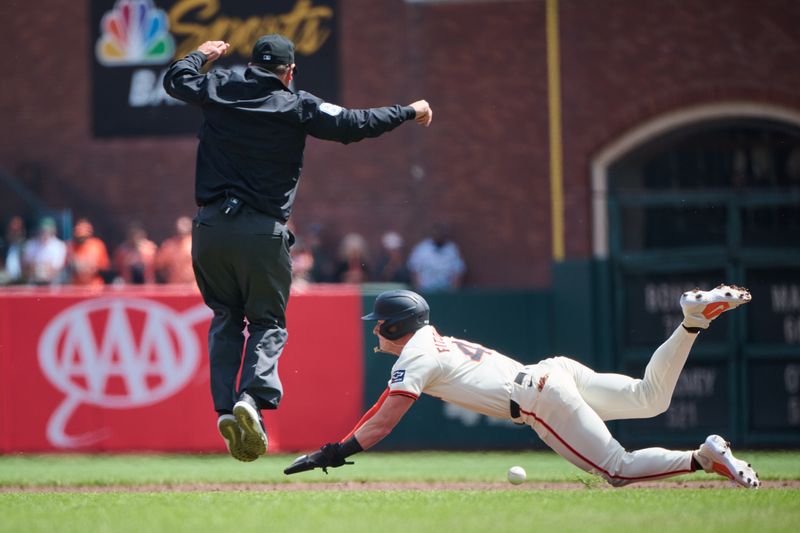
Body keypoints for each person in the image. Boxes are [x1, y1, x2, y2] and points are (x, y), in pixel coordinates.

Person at [163, 34, 433, 462]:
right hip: (260, 232)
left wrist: (202, 55)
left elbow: (176, 79)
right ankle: (250, 400)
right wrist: (409, 111)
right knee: (267, 323)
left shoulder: (218, 87)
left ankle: (223, 407)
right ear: (289, 72)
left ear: (252, 64)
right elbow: (352, 124)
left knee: (225, 317)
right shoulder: (296, 104)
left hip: (209, 228)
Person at [284, 285, 760, 489]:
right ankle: (691, 323)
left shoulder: (417, 354)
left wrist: (333, 452)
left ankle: (704, 458)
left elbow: (385, 421)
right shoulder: (432, 339)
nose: (373, 331)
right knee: (648, 397)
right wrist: (338, 447)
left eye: (378, 324)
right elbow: (382, 407)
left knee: (618, 469)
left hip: (539, 397)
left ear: (394, 328)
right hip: (552, 374)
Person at [407, 222, 465, 292]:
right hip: (426, 291)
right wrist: (420, 291)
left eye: (442, 232)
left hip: (446, 291)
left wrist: (453, 292)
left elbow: (458, 272)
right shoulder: (422, 248)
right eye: (437, 232)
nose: (439, 235)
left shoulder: (452, 250)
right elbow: (414, 270)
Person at [22, 217, 67, 285]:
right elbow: (26, 267)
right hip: (33, 283)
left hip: (52, 284)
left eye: (47, 230)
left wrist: (38, 268)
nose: (44, 233)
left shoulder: (60, 246)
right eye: (42, 230)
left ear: (53, 231)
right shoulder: (30, 244)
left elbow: (56, 269)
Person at [67, 218, 110, 286]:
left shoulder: (97, 245)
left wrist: (93, 268)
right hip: (77, 287)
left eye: (84, 237)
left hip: (95, 287)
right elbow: (65, 268)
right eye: (80, 236)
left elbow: (105, 268)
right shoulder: (70, 247)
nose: (82, 239)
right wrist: (74, 265)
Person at [155, 216, 195, 284]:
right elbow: (158, 266)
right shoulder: (169, 245)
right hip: (175, 286)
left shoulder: (195, 243)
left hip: (193, 287)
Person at [0, 216, 26, 284]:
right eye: (12, 230)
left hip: (23, 282)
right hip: (4, 282)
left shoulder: (26, 246)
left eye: (17, 231)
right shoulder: (3, 247)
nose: (15, 234)